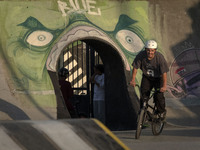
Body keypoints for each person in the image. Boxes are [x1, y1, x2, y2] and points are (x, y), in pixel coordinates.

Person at [130, 40, 169, 120]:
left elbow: (164, 73)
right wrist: (133, 80)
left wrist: (164, 86)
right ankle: (143, 115)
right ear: (145, 49)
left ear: (155, 50)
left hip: (158, 78)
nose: (150, 52)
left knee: (159, 96)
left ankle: (161, 112)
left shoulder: (159, 58)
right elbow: (135, 68)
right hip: (147, 78)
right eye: (148, 50)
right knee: (143, 96)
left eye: (152, 50)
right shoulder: (141, 55)